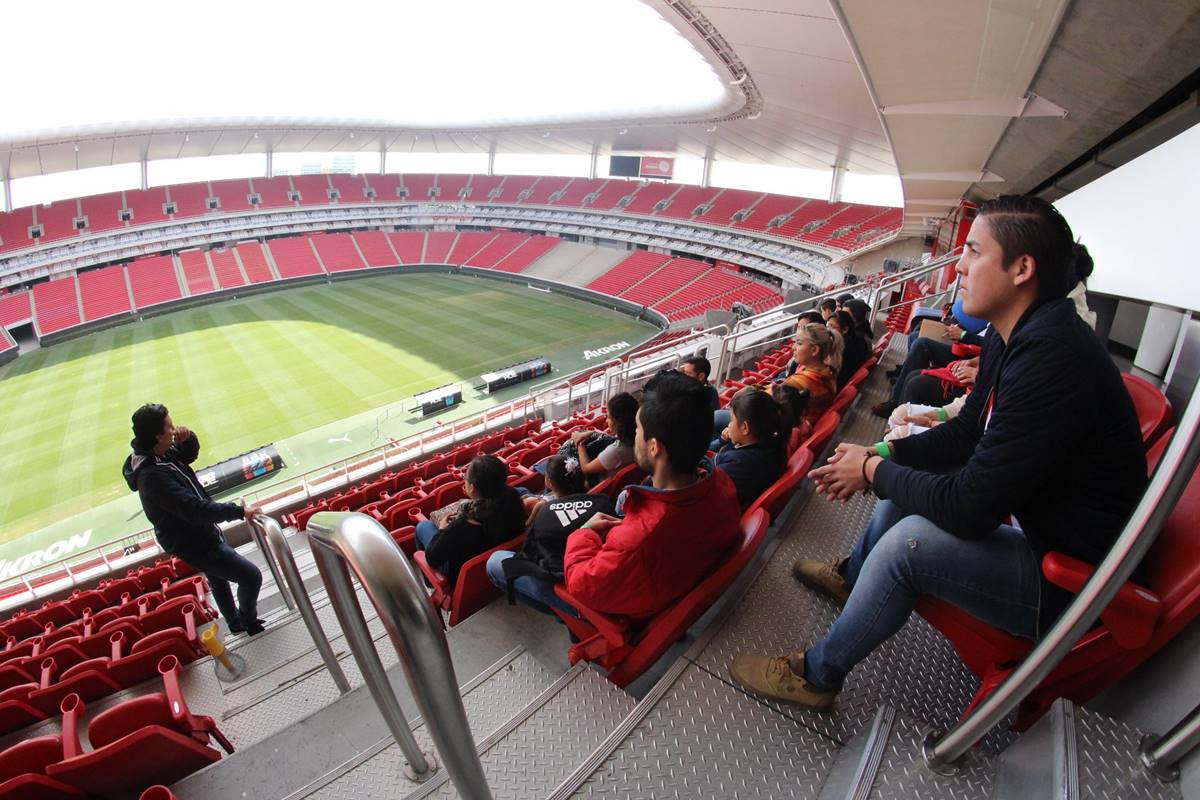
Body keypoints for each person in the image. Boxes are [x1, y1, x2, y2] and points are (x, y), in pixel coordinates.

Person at [729, 194, 1147, 711]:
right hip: (1040, 529)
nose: (960, 265)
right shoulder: (1016, 332)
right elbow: (968, 431)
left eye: (973, 251)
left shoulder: (1054, 360)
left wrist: (874, 470)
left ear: (1021, 269)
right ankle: (855, 578)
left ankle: (817, 676)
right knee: (911, 467)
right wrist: (883, 451)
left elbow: (970, 510)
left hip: (1072, 578)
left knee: (910, 544)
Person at [563, 371, 741, 618]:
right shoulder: (722, 484)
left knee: (499, 564)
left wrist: (584, 533)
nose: (634, 435)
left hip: (631, 611)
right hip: (666, 580)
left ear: (654, 447)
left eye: (637, 429)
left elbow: (579, 584)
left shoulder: (638, 541)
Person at [122, 404, 265, 635]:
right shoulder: (152, 477)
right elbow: (193, 509)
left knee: (217, 578)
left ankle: (234, 623)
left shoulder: (159, 452)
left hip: (198, 533)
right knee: (250, 576)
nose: (174, 429)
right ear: (157, 435)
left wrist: (188, 439)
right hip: (194, 542)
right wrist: (239, 512)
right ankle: (248, 621)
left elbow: (187, 456)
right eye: (169, 426)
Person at [486, 455, 614, 617]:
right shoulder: (603, 501)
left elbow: (532, 558)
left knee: (494, 561)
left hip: (578, 593)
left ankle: (562, 614)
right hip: (601, 577)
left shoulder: (545, 514)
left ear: (549, 482)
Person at [415, 455, 525, 585]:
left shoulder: (460, 527)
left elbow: (432, 558)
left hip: (462, 578)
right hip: (494, 571)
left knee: (423, 526)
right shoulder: (513, 498)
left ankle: (430, 583)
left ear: (472, 487)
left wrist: (442, 530)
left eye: (465, 478)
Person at [714, 388, 795, 510]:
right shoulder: (774, 447)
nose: (729, 425)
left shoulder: (736, 466)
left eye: (732, 420)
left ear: (745, 428)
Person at [566, 392, 638, 481]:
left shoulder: (616, 451)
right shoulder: (638, 438)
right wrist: (592, 432)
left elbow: (586, 468)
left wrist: (580, 444)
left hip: (598, 485)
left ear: (617, 422)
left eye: (608, 417)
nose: (606, 420)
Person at [783, 324, 838, 421]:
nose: (793, 347)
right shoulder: (828, 372)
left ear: (814, 350)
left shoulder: (801, 382)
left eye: (799, 343)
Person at [828, 309, 869, 389]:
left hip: (838, 385)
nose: (828, 330)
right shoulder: (856, 338)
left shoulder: (843, 347)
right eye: (828, 326)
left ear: (845, 329)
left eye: (832, 327)